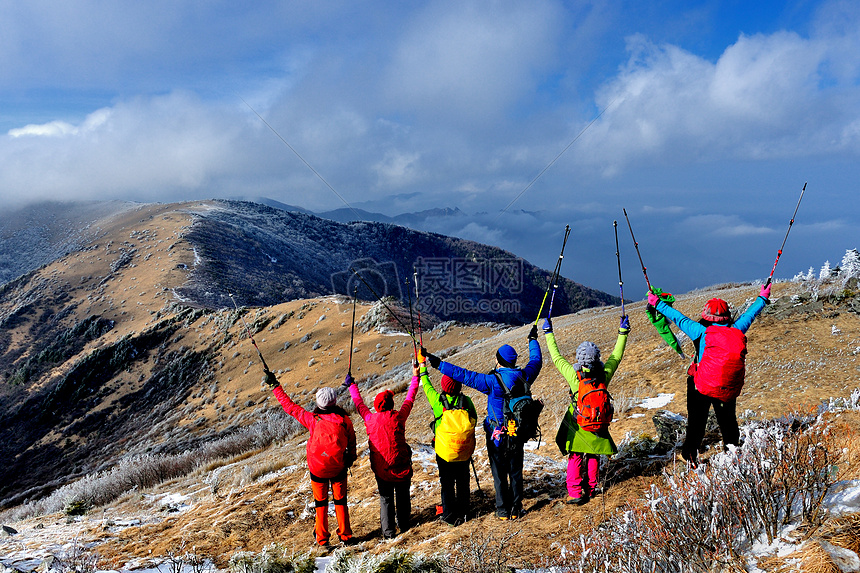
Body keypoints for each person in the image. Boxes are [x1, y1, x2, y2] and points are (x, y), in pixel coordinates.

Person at [422, 325, 542, 520]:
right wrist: (532, 340)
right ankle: (516, 508)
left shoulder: (491, 382)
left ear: (499, 361)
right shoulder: (525, 376)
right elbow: (536, 360)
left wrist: (438, 364)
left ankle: (503, 510)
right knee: (516, 470)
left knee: (499, 471)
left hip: (496, 434)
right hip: (517, 432)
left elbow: (464, 375)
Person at [647, 283, 771, 466]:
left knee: (697, 423)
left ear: (706, 315)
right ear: (726, 315)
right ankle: (733, 455)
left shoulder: (699, 331)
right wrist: (763, 297)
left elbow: (678, 318)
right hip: (726, 385)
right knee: (728, 421)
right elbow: (750, 314)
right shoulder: (736, 330)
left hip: (700, 385)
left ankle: (690, 456)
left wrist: (657, 304)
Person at [543, 315, 630, 504]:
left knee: (575, 456)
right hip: (597, 422)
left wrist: (548, 333)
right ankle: (591, 488)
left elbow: (556, 357)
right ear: (597, 359)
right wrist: (623, 332)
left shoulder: (575, 377)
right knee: (593, 455)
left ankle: (574, 492)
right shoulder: (603, 375)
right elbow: (617, 355)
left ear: (579, 359)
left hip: (578, 422)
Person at [265, 370, 356, 548]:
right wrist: (350, 459)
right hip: (338, 466)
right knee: (341, 501)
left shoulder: (312, 420)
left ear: (319, 404)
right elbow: (352, 441)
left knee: (320, 504)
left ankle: (322, 539)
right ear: (334, 402)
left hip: (318, 467)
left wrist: (275, 386)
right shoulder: (344, 420)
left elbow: (289, 406)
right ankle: (346, 536)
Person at [342, 361, 420, 540]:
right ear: (392, 405)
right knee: (402, 495)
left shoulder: (370, 420)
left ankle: (388, 532)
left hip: (382, 469)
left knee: (385, 498)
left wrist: (352, 386)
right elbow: (410, 398)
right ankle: (405, 525)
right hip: (401, 466)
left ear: (377, 407)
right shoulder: (398, 417)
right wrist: (415, 376)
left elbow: (359, 404)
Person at [420, 357, 477, 526]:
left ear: (443, 387)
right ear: (459, 386)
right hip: (463, 449)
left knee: (446, 483)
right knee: (462, 480)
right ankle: (464, 511)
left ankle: (449, 515)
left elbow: (427, 386)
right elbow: (474, 419)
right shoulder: (466, 402)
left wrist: (422, 368)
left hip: (444, 450)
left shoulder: (438, 401)